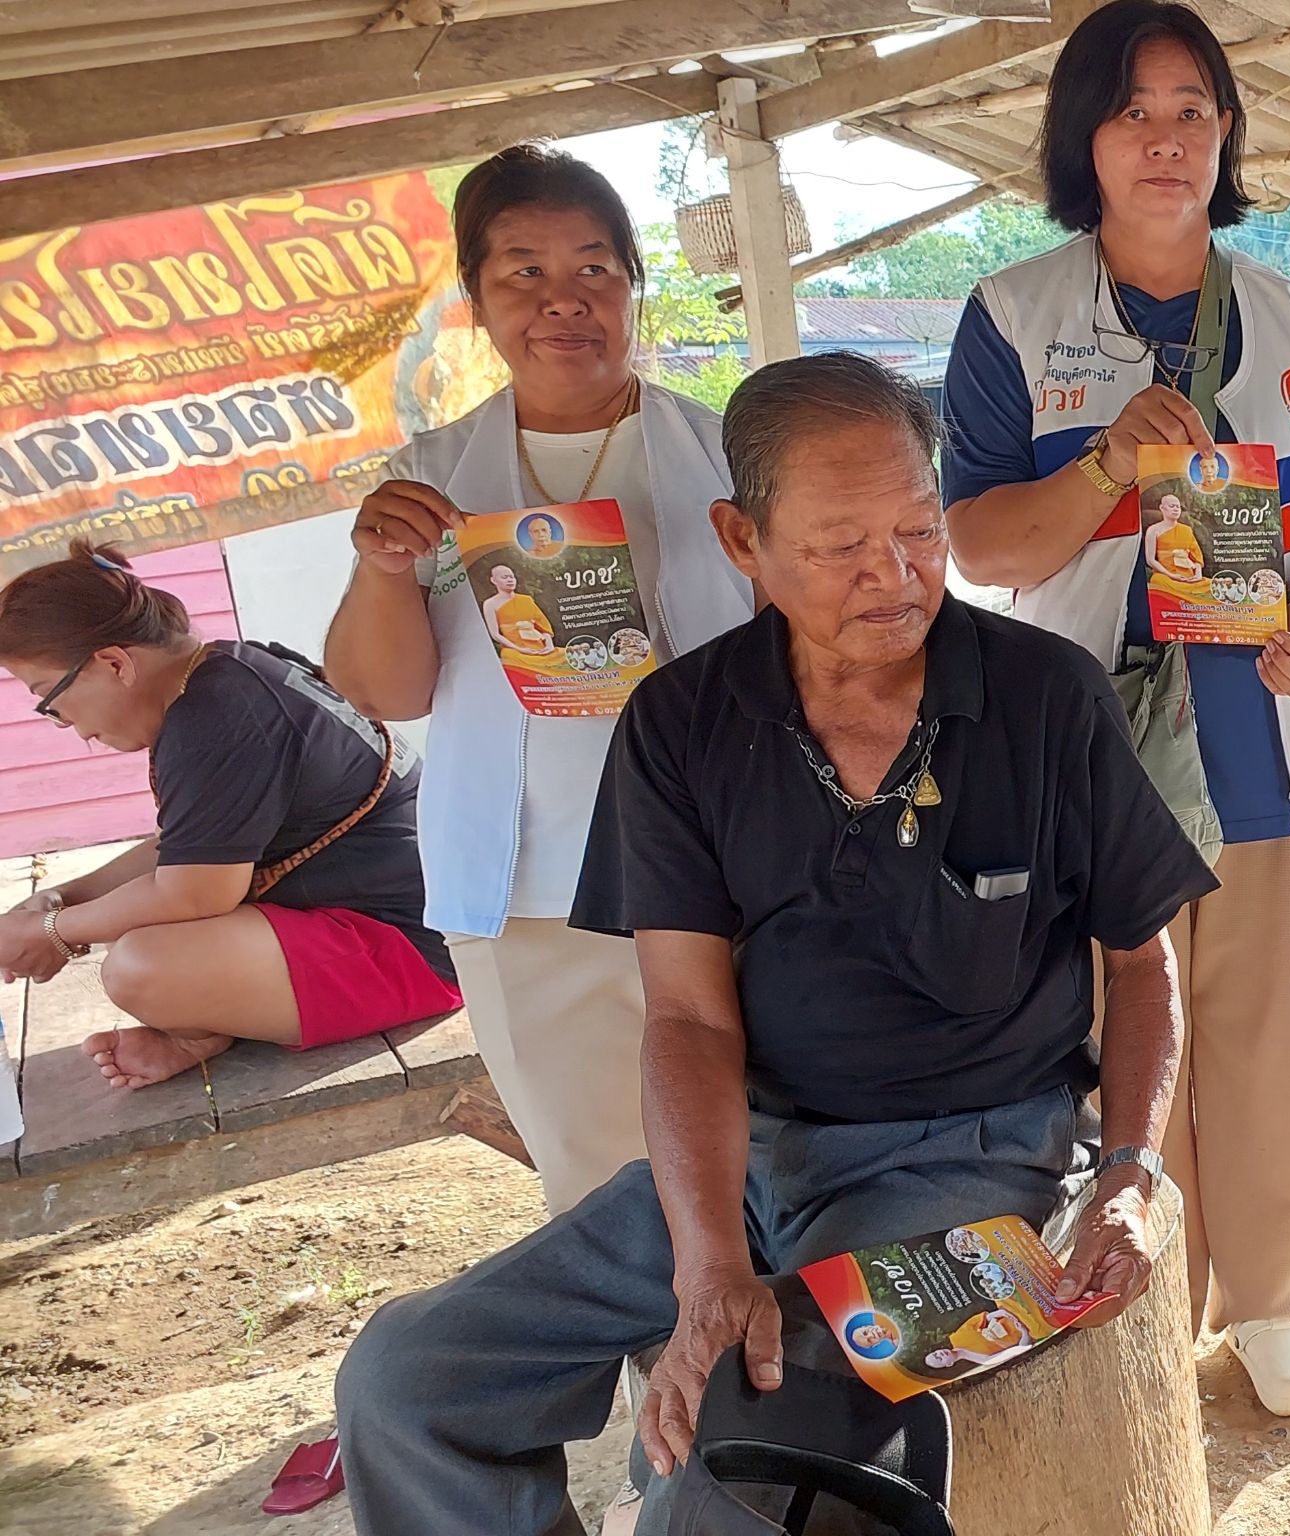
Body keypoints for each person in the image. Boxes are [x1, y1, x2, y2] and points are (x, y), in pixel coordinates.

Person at [333, 352, 1213, 1533]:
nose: (892, 575)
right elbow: (689, 1021)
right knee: (409, 1383)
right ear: (741, 540)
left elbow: (1138, 961)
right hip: (754, 1163)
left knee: (722, 1483)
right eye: (839, 543)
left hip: (963, 1168)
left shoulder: (1045, 696)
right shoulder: (684, 723)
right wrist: (707, 1264)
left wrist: (1128, 1173)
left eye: (915, 527)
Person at [939, 0, 1290, 1416]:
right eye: (1133, 111)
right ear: (1085, 135)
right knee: (1103, 1020)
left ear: (1229, 132)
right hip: (1078, 742)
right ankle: (1131, 1284)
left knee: (1272, 1023)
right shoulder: (1013, 316)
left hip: (1263, 725)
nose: (1167, 137)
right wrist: (1104, 476)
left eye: (1194, 107)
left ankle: (1279, 1303)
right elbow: (982, 549)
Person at [323, 143, 754, 1216]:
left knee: (755, 1161)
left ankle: (774, 1377)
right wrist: (383, 569)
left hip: (725, 873)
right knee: (600, 1189)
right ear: (475, 299)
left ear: (633, 286)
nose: (563, 303)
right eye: (523, 272)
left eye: (594, 269)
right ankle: (641, 1382)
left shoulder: (730, 453)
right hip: (532, 898)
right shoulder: (430, 480)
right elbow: (386, 692)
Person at [0, 545, 457, 1089]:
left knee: (140, 967)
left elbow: (193, 892)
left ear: (114, 663)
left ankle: (198, 1031)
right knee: (147, 949)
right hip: (405, 918)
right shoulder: (230, 670)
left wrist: (53, 931)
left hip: (415, 949)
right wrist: (64, 898)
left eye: (50, 701)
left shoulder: (215, 716)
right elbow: (192, 845)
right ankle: (208, 1026)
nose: (69, 726)